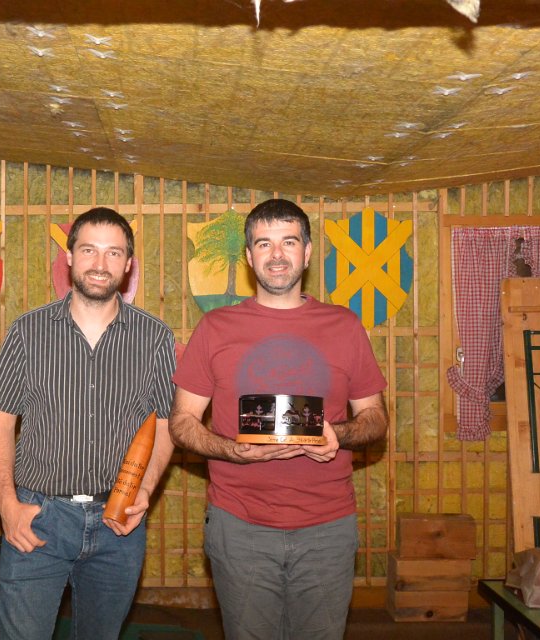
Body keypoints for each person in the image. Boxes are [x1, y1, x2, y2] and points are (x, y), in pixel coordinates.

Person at [169, 198, 388, 640]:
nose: (276, 254)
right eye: (263, 243)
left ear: (307, 252)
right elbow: (182, 422)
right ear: (249, 257)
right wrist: (233, 450)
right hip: (239, 525)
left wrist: (337, 435)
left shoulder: (345, 326)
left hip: (327, 527)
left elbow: (376, 418)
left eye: (288, 242)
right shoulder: (214, 328)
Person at [0, 207, 176, 640]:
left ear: (128, 264)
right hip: (38, 517)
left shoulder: (156, 338)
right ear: (69, 257)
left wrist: (144, 491)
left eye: (113, 253)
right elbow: (0, 421)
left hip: (118, 523)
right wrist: (7, 505)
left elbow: (165, 425)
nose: (100, 263)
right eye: (89, 250)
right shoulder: (27, 331)